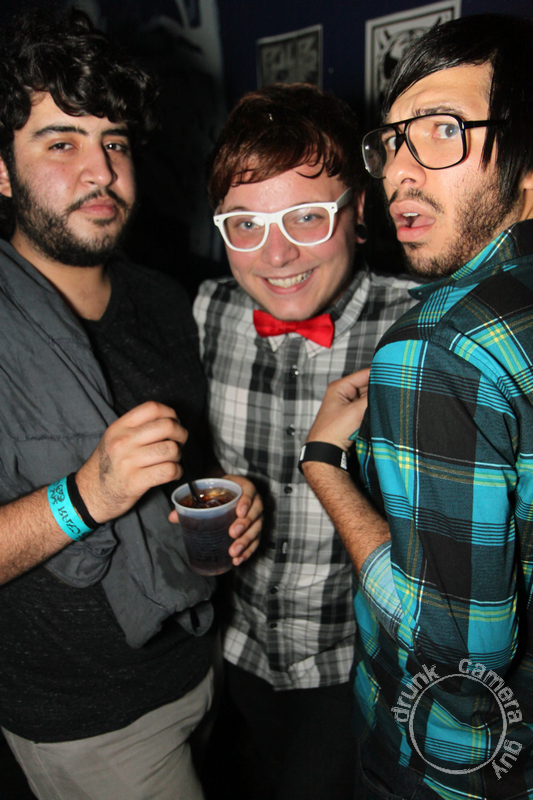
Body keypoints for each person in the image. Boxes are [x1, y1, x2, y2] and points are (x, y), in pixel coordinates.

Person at [0, 10, 262, 800]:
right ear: (2, 174)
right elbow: (100, 493)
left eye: (114, 142)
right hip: (90, 726)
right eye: (61, 143)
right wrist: (85, 497)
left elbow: (189, 465)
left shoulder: (164, 299)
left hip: (197, 653)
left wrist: (229, 499)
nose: (101, 172)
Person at [302, 13, 533, 800]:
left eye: (441, 129)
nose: (398, 171)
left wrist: (325, 467)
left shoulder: (438, 345)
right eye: (392, 141)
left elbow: (459, 654)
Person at [193, 83, 417, 799]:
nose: (277, 252)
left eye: (307, 217)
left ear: (358, 212)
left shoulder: (420, 330)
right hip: (231, 658)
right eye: (246, 225)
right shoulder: (204, 313)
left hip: (354, 669)